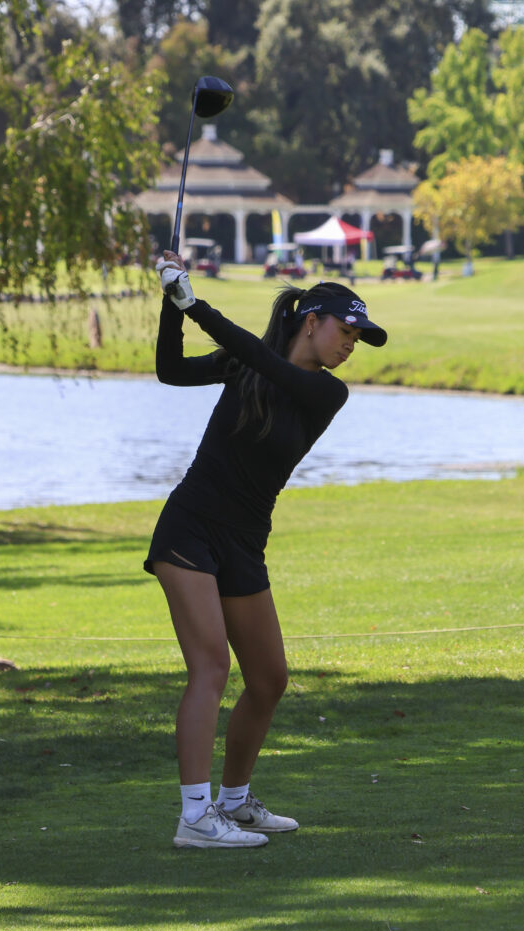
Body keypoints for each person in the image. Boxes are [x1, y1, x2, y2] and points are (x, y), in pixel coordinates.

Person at [147, 251, 387, 848]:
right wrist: (171, 306)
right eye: (346, 330)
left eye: (359, 337)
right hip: (190, 528)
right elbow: (170, 372)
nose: (351, 344)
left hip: (245, 541)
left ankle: (235, 801)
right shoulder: (245, 362)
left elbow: (263, 359)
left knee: (269, 678)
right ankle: (196, 817)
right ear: (312, 320)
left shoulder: (326, 393)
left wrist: (193, 302)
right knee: (210, 668)